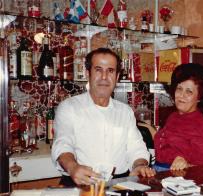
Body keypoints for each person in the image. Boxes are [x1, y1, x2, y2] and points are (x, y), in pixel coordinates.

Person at [51, 48, 155, 186]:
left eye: (110, 71)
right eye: (98, 70)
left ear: (117, 77)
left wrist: (139, 166)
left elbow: (136, 148)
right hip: (81, 182)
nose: (104, 77)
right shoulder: (69, 107)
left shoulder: (125, 111)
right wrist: (72, 167)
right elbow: (63, 144)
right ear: (88, 73)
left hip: (119, 184)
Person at [154, 63, 203, 171]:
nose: (181, 95)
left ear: (199, 97)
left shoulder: (202, 128)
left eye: (189, 91)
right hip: (158, 172)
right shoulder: (173, 116)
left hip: (177, 180)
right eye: (179, 89)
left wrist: (186, 164)